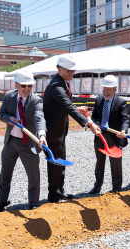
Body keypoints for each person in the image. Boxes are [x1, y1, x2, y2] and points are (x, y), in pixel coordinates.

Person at [43, 54, 101, 202]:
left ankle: (59, 191)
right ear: (59, 69)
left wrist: (78, 108)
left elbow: (66, 105)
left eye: (73, 71)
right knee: (56, 162)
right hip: (53, 132)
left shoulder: (63, 82)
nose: (72, 73)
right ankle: (54, 195)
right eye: (69, 70)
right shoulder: (56, 85)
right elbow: (67, 106)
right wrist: (89, 124)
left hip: (59, 130)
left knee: (60, 161)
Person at [0, 69, 47, 213]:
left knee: (33, 175)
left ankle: (33, 204)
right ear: (16, 85)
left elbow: (40, 118)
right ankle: (2, 202)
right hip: (11, 141)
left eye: (29, 86)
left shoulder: (36, 100)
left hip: (28, 143)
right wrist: (8, 119)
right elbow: (1, 114)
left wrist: (41, 135)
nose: (27, 89)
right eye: (23, 86)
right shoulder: (9, 96)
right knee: (5, 173)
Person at [88, 75, 130, 194]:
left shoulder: (121, 102)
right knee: (99, 163)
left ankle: (116, 188)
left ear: (115, 90)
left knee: (115, 164)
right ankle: (97, 186)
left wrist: (123, 131)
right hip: (100, 136)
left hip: (115, 137)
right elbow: (94, 116)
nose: (105, 92)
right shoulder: (99, 100)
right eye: (104, 89)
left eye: (109, 89)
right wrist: (95, 124)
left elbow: (125, 119)